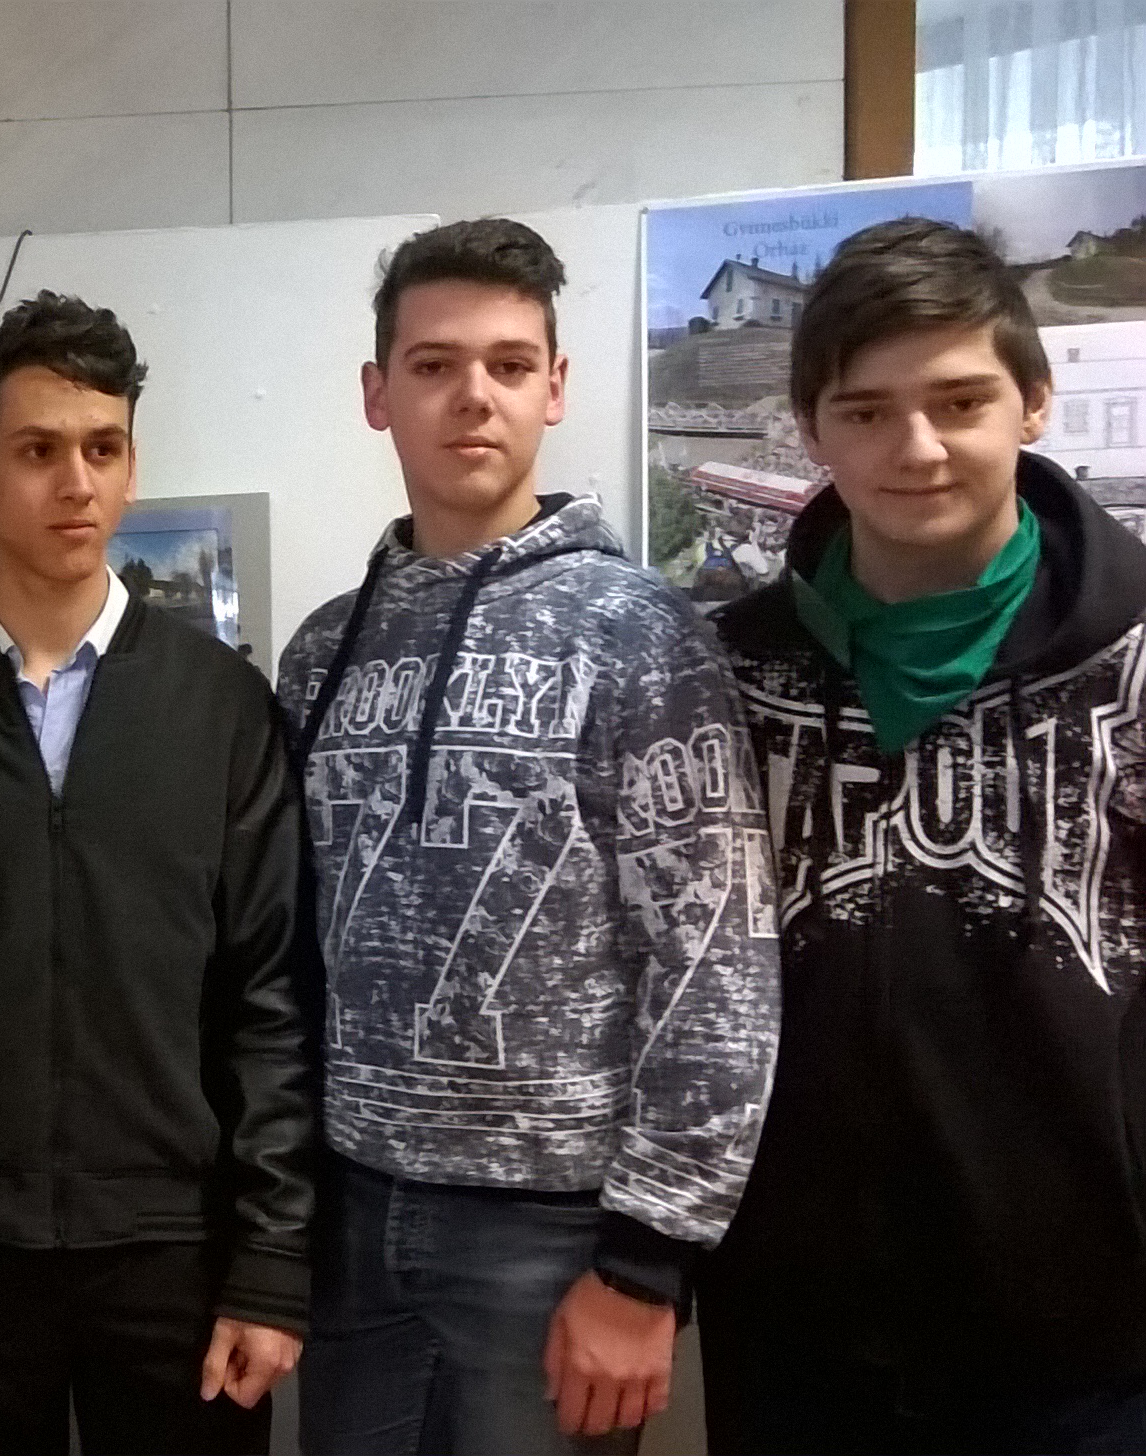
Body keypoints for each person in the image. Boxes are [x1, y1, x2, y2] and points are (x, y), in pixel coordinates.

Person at [276, 218, 781, 1455]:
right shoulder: (323, 649)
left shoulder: (641, 633)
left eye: (508, 364)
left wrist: (648, 1260)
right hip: (350, 1216)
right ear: (377, 394)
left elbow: (715, 960)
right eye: (435, 364)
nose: (473, 395)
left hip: (549, 1237)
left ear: (555, 387)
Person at [697, 218, 1146, 1455]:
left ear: (1034, 402)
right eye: (866, 410)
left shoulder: (1136, 656)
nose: (917, 447)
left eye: (960, 401)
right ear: (810, 428)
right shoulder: (727, 670)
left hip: (1084, 1336)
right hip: (795, 1325)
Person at [0, 291, 316, 1456]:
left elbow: (269, 995)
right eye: (37, 450)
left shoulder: (221, 708)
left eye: (103, 449)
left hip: (174, 1257)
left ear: (131, 468)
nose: (75, 482)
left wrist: (270, 1258)